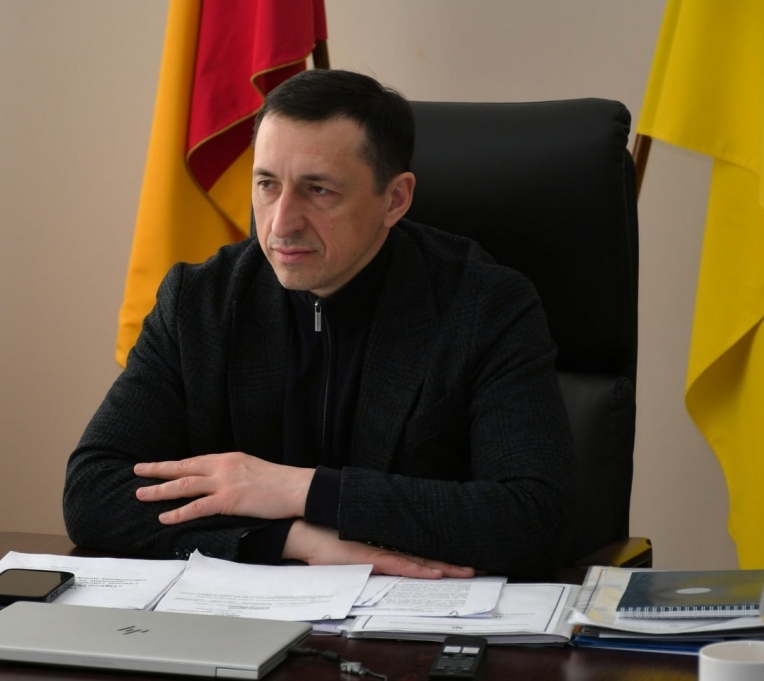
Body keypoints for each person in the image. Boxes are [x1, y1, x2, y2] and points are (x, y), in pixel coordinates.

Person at [63, 69, 574, 580]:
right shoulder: (198, 303)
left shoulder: (485, 307)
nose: (281, 222)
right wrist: (292, 539)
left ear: (395, 199)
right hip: (242, 614)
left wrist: (301, 490)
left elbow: (534, 518)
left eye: (319, 190)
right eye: (267, 185)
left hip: (416, 617)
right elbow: (93, 492)